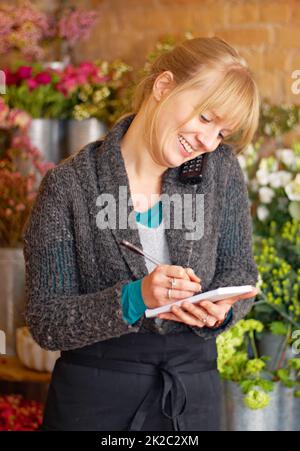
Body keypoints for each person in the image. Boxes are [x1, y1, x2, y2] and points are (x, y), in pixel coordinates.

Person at [23, 36, 260, 431]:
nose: (207, 142)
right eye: (205, 118)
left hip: (192, 398)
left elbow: (240, 272)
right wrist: (136, 297)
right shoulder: (70, 185)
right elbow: (46, 321)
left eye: (221, 132)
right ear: (163, 86)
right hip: (94, 404)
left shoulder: (220, 171)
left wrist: (224, 310)